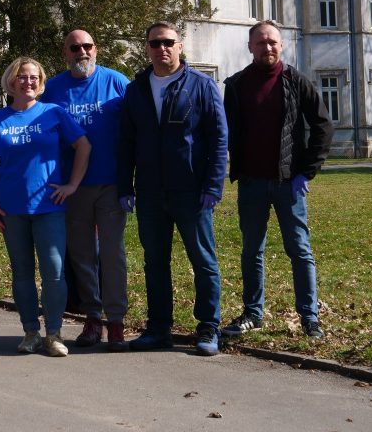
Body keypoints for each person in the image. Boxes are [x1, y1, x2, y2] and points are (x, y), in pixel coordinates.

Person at [117, 21, 226, 357]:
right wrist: (126, 186)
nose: (161, 49)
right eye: (154, 43)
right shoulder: (136, 90)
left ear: (180, 46)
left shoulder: (202, 86)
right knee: (155, 263)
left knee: (203, 260)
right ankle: (159, 328)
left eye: (168, 42)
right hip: (150, 192)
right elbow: (127, 142)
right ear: (146, 48)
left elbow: (219, 139)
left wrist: (213, 185)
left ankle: (208, 327)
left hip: (191, 191)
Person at [222, 20, 333, 340]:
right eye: (260, 43)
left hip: (289, 184)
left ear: (281, 45)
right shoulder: (238, 84)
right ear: (250, 47)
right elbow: (227, 132)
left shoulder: (296, 81)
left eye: (272, 42)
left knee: (299, 250)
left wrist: (306, 171)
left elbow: (323, 126)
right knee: (251, 251)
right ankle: (253, 314)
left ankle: (310, 317)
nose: (267, 47)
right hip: (251, 184)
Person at [0, 56, 91, 357]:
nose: (28, 82)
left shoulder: (54, 113)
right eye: (22, 77)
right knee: (22, 273)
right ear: (11, 82)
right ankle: (30, 332)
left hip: (49, 206)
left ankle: (53, 333)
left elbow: (83, 146)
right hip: (12, 209)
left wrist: (72, 185)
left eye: (34, 77)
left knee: (54, 272)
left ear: (41, 83)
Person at [41, 29, 130, 351]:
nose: (82, 52)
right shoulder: (52, 89)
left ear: (97, 49)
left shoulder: (117, 83)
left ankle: (116, 320)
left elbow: (134, 131)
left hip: (111, 183)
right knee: (81, 255)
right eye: (75, 48)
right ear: (65, 53)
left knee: (112, 253)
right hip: (71, 188)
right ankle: (93, 318)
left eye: (87, 46)